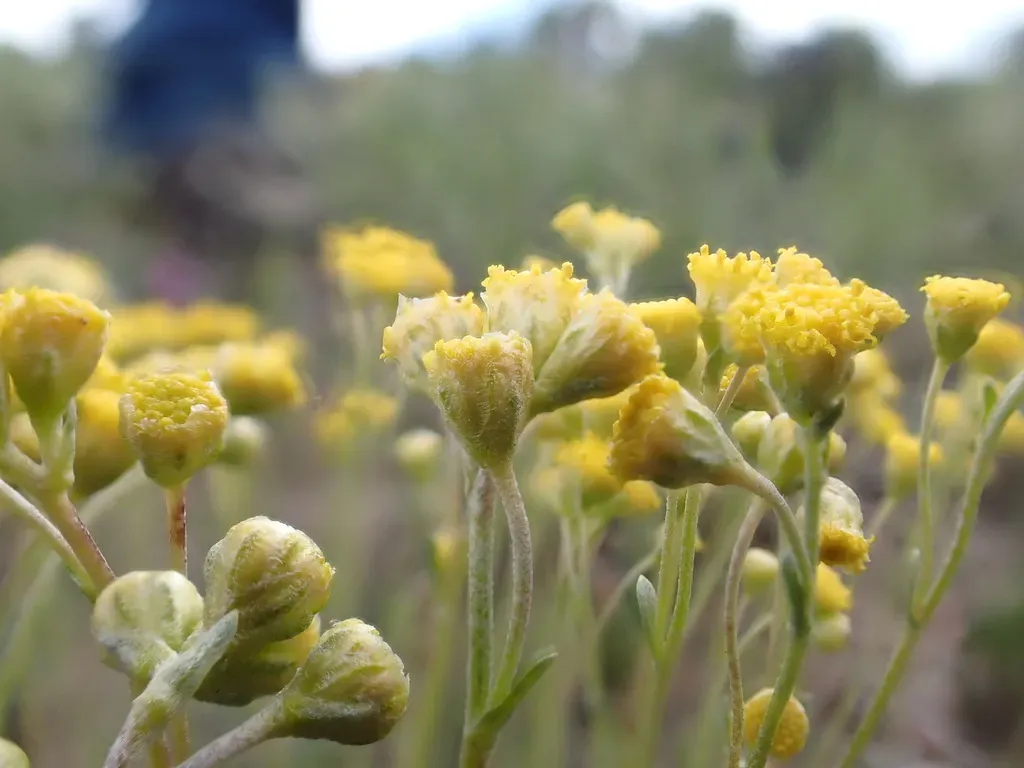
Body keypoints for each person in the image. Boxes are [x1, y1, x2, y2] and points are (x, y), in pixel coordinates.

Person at [102, 0, 321, 304]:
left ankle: (200, 311)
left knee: (199, 235)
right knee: (215, 232)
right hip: (206, 129)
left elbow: (129, 61)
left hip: (189, 131)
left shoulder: (160, 22)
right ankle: (209, 313)